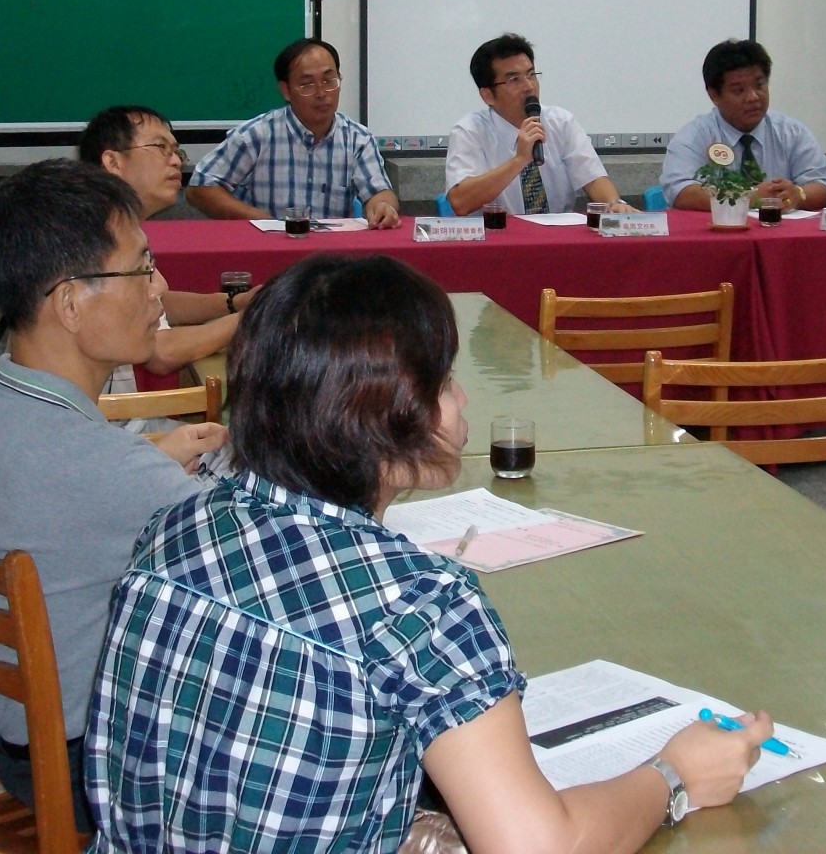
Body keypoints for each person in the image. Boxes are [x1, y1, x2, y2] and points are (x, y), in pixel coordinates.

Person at [86, 254, 769, 853]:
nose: (462, 399)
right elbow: (539, 845)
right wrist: (674, 775)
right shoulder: (421, 605)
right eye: (442, 382)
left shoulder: (175, 526)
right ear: (377, 414)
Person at [0, 159, 227, 831]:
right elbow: (259, 564)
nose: (159, 288)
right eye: (142, 269)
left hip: (9, 737)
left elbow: (68, 493)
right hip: (90, 772)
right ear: (69, 303)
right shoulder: (116, 474)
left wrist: (150, 460)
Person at [80, 105, 250, 417]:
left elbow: (156, 302)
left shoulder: (119, 224)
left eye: (176, 151)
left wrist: (231, 302)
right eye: (161, 147)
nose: (176, 161)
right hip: (99, 427)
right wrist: (255, 316)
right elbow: (161, 351)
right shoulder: (96, 238)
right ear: (113, 162)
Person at [186, 37, 400, 228]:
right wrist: (260, 219)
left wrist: (383, 207)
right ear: (286, 91)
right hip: (267, 248)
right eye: (307, 84)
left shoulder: (358, 139)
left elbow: (380, 191)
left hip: (332, 253)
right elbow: (199, 188)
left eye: (329, 81)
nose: (321, 93)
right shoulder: (255, 136)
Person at [444, 33, 636, 216]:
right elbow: (461, 202)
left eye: (531, 75)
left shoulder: (561, 122)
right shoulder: (469, 131)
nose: (529, 86)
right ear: (488, 95)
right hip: (497, 235)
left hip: (557, 235)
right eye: (514, 80)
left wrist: (614, 203)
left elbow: (593, 178)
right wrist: (519, 160)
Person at [660, 39, 826, 211]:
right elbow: (681, 192)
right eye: (739, 90)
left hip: (780, 229)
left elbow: (823, 185)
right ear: (714, 96)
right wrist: (746, 198)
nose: (753, 97)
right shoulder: (693, 137)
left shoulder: (792, 132)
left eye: (759, 85)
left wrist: (798, 195)